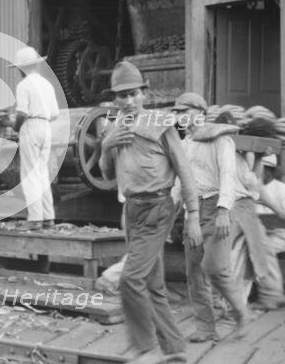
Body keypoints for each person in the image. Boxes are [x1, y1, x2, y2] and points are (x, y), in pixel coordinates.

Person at [99, 62, 201, 364]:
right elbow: (107, 174)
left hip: (158, 208)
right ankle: (175, 349)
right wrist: (106, 146)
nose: (128, 101)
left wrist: (193, 214)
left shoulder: (162, 125)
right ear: (115, 100)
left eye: (133, 94)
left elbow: (185, 170)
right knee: (153, 283)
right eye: (122, 96)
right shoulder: (115, 127)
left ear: (144, 93)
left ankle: (143, 348)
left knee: (131, 278)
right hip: (133, 210)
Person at [171, 94, 251, 343]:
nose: (179, 116)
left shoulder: (221, 139)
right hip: (193, 211)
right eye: (176, 112)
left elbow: (228, 174)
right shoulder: (184, 144)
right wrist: (171, 213)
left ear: (199, 112)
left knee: (215, 267)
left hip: (219, 206)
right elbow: (179, 183)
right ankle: (206, 328)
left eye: (184, 110)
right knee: (194, 271)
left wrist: (224, 210)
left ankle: (242, 316)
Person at [10, 46, 59, 231]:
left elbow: (21, 112)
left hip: (30, 126)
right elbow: (54, 113)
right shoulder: (46, 84)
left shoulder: (23, 85)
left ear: (22, 68)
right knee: (42, 173)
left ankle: (35, 219)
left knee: (30, 174)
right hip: (46, 126)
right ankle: (48, 217)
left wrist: (15, 126)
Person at [249, 154, 285, 310]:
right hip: (256, 231)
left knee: (262, 249)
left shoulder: (281, 189)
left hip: (279, 234)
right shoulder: (252, 185)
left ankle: (271, 294)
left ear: (269, 170)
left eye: (261, 168)